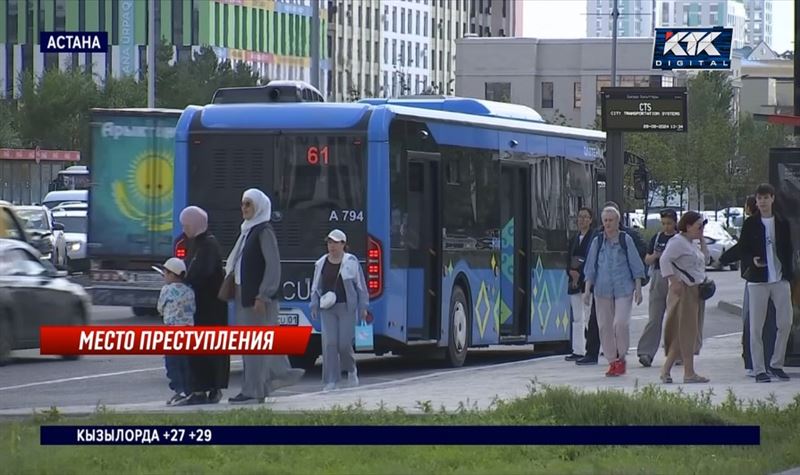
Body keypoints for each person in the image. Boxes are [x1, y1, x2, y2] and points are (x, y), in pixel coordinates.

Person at [225, 189, 305, 404]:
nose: (244, 208)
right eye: (243, 204)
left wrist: (264, 294)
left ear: (259, 206)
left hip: (258, 299)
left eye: (248, 204)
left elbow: (273, 266)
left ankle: (254, 391)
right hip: (245, 296)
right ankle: (261, 386)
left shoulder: (263, 231)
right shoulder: (248, 231)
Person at [577, 201, 647, 367]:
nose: (608, 223)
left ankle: (621, 355)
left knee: (620, 324)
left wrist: (638, 288)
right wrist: (587, 291)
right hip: (602, 290)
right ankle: (612, 361)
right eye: (605, 220)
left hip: (624, 289)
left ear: (617, 221)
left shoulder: (625, 239)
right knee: (604, 327)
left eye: (611, 220)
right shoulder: (597, 241)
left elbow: (636, 265)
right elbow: (590, 268)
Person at [739, 183, 793, 383]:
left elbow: (787, 250)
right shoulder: (750, 224)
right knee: (756, 327)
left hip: (779, 279)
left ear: (772, 198)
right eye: (758, 198)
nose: (761, 202)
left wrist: (789, 273)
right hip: (757, 281)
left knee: (785, 323)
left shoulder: (781, 222)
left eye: (765, 198)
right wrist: (751, 260)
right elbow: (743, 249)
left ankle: (776, 363)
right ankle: (759, 368)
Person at [720, 196, 777, 377]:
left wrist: (723, 259)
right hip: (763, 280)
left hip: (756, 280)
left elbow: (740, 249)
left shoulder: (753, 226)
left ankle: (754, 362)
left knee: (751, 321)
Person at [179, 206, 230, 405]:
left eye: (187, 225)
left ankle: (204, 389)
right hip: (204, 306)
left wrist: (186, 279)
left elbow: (204, 272)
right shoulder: (199, 244)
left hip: (209, 306)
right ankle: (205, 388)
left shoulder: (208, 245)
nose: (185, 229)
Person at [310, 229, 370, 391]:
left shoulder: (351, 261)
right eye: (329, 243)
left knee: (344, 344)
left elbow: (361, 287)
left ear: (343, 244)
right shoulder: (321, 262)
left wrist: (363, 307)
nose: (332, 246)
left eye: (335, 243)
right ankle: (331, 380)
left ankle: (351, 370)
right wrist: (314, 304)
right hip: (327, 308)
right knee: (330, 344)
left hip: (347, 308)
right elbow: (316, 286)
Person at [658, 211, 711, 384]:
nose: (701, 229)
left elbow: (706, 259)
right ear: (688, 226)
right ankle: (688, 372)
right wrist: (673, 281)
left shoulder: (690, 243)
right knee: (686, 332)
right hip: (685, 291)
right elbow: (664, 260)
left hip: (696, 291)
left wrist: (702, 240)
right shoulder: (678, 242)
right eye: (699, 226)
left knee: (686, 333)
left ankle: (667, 370)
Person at [636, 209, 678, 367]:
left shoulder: (679, 238)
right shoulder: (657, 238)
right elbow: (647, 259)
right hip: (658, 277)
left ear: (675, 223)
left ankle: (677, 353)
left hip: (675, 277)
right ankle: (646, 352)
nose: (666, 227)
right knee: (654, 317)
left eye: (669, 223)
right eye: (664, 223)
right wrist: (655, 256)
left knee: (674, 318)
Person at [156, 257, 196, 406]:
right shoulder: (189, 290)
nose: (164, 276)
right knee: (186, 362)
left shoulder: (167, 290)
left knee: (172, 363)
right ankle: (188, 390)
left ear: (172, 274)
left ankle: (179, 392)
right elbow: (193, 309)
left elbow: (160, 308)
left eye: (165, 273)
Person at [565, 207, 595, 361]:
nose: (582, 220)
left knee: (589, 316)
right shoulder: (574, 238)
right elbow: (567, 257)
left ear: (590, 220)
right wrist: (570, 272)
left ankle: (592, 349)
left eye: (585, 217)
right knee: (577, 318)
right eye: (580, 217)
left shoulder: (594, 238)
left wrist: (581, 274)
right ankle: (578, 349)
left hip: (587, 282)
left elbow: (593, 260)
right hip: (573, 282)